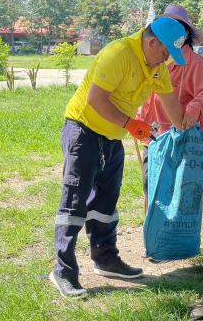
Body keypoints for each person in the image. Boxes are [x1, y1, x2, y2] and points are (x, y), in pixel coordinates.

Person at [50, 17, 189, 298]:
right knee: (75, 201)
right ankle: (63, 270)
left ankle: (105, 259)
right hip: (83, 129)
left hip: (112, 136)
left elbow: (172, 106)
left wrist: (186, 134)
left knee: (106, 201)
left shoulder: (157, 67)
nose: (164, 61)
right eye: (164, 53)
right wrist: (130, 124)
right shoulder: (119, 54)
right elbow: (95, 99)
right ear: (152, 42)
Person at [136, 4, 203, 195]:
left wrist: (194, 108)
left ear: (186, 34)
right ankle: (153, 225)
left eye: (178, 27)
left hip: (182, 140)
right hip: (152, 135)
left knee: (179, 193)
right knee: (152, 187)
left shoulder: (193, 62)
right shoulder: (150, 56)